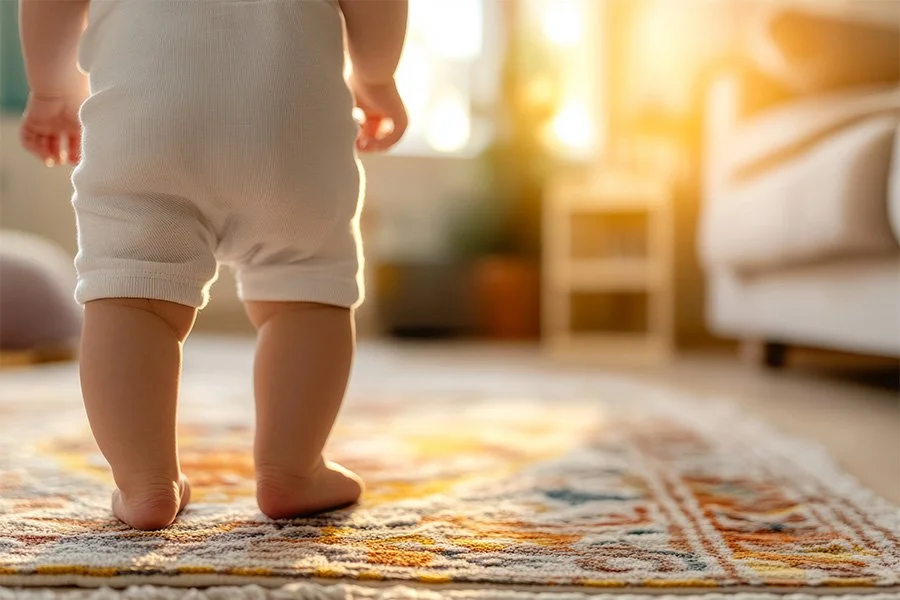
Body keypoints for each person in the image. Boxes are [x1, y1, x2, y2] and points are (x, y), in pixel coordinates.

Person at [18, 0, 408, 530]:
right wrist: (377, 77)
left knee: (133, 297)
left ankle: (145, 482)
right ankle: (292, 470)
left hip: (144, 121)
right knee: (305, 295)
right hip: (292, 123)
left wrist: (50, 90)